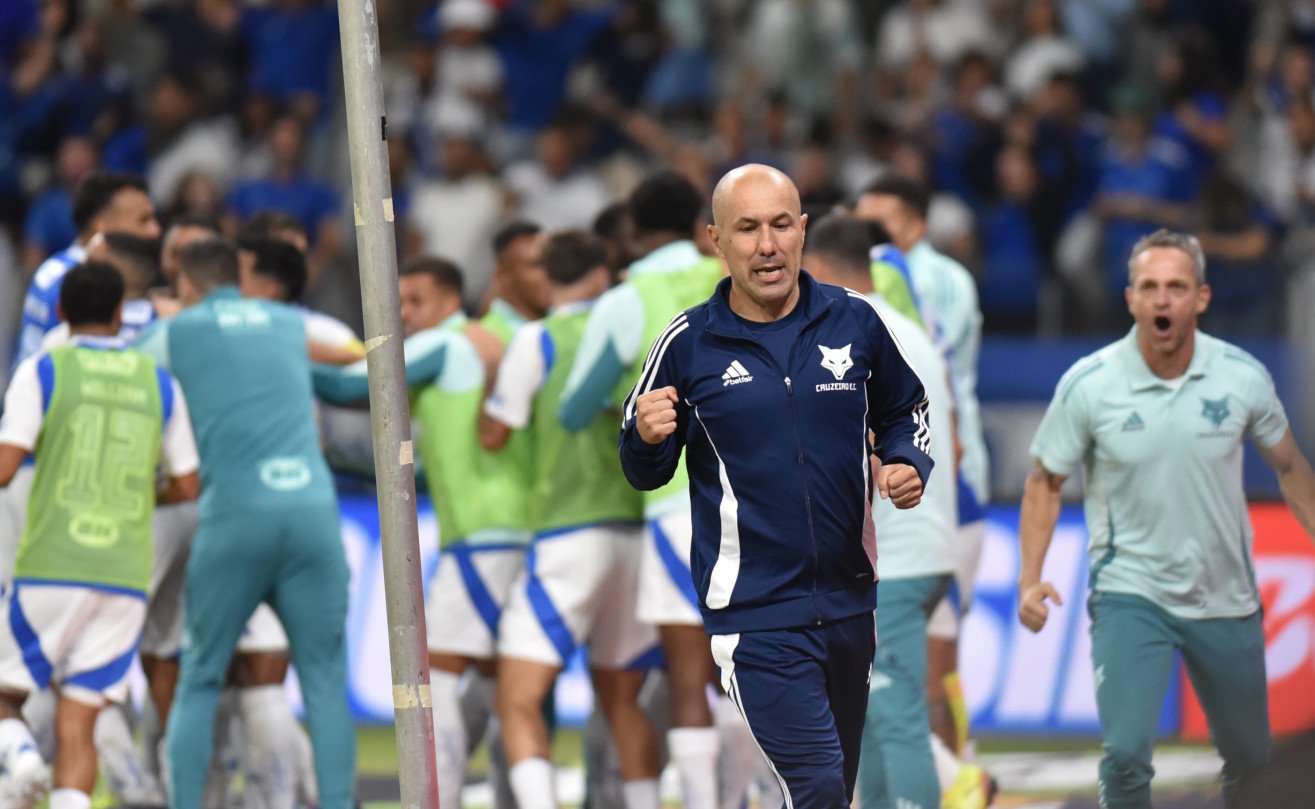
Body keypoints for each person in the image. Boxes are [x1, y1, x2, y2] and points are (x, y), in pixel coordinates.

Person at [619, 164, 934, 807]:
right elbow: (643, 471)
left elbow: (906, 410)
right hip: (755, 614)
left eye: (781, 225)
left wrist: (906, 463)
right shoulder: (687, 343)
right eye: (748, 228)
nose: (767, 244)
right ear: (716, 240)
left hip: (850, 603)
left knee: (830, 791)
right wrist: (647, 437)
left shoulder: (855, 322)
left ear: (803, 231)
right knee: (816, 785)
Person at [1018, 229, 1315, 809]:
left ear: (1201, 298)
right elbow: (1043, 482)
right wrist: (1030, 577)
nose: (1161, 300)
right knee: (1126, 755)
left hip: (1226, 595)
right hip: (1130, 594)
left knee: (1253, 764)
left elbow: (1291, 469)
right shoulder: (1090, 383)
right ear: (1130, 298)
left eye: (1176, 287)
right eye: (1149, 287)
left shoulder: (1243, 376)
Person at [135, 238, 355, 809]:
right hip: (312, 511)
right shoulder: (287, 322)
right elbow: (350, 376)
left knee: (201, 676)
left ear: (185, 283)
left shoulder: (181, 329)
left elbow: (118, 369)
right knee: (325, 683)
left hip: (235, 515)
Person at [558, 172, 748, 809]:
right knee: (754, 673)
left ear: (633, 232)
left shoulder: (628, 297)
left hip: (678, 508)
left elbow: (573, 405)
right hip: (760, 499)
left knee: (691, 680)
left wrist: (638, 408)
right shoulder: (732, 276)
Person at [313, 257, 530, 809]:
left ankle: (440, 800)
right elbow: (431, 472)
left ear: (450, 301)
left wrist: (278, 359)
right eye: (400, 302)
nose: (405, 314)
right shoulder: (471, 351)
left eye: (416, 301)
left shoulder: (446, 345)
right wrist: (342, 459)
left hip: (483, 535)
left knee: (439, 669)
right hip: (512, 531)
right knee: (497, 676)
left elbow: (349, 388)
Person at [804, 214, 992, 809]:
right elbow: (949, 439)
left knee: (898, 715)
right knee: (874, 718)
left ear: (820, 269)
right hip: (929, 546)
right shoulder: (910, 331)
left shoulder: (846, 332)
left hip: (897, 559)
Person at [0, 261, 199, 809]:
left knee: (5, 694)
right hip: (124, 573)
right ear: (120, 313)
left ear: (62, 313)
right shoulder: (157, 382)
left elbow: (5, 466)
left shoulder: (44, 369)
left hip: (53, 560)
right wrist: (137, 497)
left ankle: (19, 762)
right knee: (79, 722)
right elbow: (187, 483)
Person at [480, 231, 660, 809]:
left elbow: (497, 429)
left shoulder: (538, 339)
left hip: (568, 531)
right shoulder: (633, 334)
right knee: (622, 701)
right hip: (635, 533)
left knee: (517, 697)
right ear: (602, 271)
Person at [856, 174, 988, 761]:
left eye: (880, 225)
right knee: (926, 652)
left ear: (915, 225)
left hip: (942, 476)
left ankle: (949, 770)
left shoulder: (925, 279)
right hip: (938, 474)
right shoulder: (908, 278)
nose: (872, 239)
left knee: (925, 657)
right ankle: (951, 769)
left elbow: (937, 375)